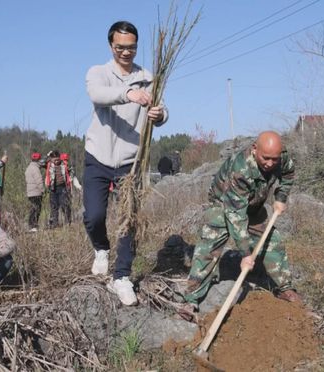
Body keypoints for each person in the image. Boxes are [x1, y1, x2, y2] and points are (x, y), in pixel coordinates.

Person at [83, 20, 168, 305]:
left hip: (130, 163)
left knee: (129, 220)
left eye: (131, 47)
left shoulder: (148, 77)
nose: (126, 52)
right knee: (94, 216)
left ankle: (121, 277)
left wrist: (160, 115)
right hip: (98, 156)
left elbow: (162, 109)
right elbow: (98, 95)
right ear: (111, 46)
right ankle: (100, 248)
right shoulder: (98, 73)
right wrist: (128, 93)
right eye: (120, 47)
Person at [183, 131, 301, 312]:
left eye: (274, 159)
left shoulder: (280, 157)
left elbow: (288, 173)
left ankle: (284, 288)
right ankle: (191, 299)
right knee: (209, 246)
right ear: (255, 149)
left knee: (272, 241)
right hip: (224, 205)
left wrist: (281, 197)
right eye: (266, 158)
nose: (270, 164)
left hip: (253, 204)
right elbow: (236, 215)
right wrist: (246, 253)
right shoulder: (241, 169)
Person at [45, 151, 79, 228]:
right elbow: (42, 161)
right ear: (52, 159)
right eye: (54, 160)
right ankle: (54, 223)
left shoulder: (64, 165)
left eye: (57, 159)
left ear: (60, 158)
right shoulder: (49, 165)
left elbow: (72, 172)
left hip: (63, 188)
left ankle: (68, 222)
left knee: (65, 205)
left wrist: (74, 183)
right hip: (53, 189)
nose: (56, 161)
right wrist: (48, 155)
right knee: (54, 207)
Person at [25, 152, 44, 232]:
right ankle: (34, 225)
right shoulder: (36, 169)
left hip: (30, 192)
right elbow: (39, 180)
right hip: (36, 192)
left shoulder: (28, 167)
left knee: (33, 208)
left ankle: (31, 225)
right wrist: (43, 190)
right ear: (38, 160)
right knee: (37, 209)